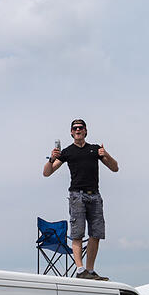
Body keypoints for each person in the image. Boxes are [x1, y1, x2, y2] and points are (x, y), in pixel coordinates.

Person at [42, 118, 119, 280]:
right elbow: (47, 172)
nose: (78, 130)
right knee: (77, 233)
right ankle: (80, 269)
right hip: (77, 195)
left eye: (81, 128)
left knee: (96, 234)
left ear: (85, 131)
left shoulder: (95, 149)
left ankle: (90, 271)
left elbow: (115, 168)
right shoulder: (67, 152)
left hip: (95, 194)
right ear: (71, 132)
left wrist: (106, 155)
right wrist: (51, 158)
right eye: (75, 128)